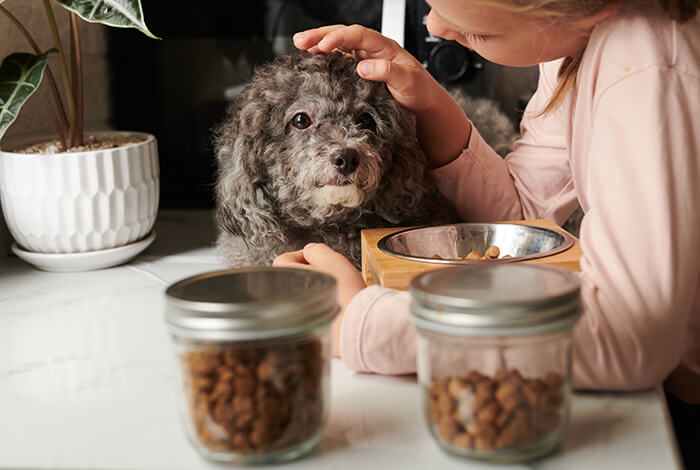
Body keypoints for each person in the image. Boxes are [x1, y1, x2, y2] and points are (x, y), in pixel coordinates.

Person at [273, 0, 700, 466]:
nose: (435, 25)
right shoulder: (576, 45)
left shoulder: (645, 64)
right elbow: (526, 223)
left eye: (479, 36)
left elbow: (630, 337)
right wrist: (429, 100)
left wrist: (363, 322)